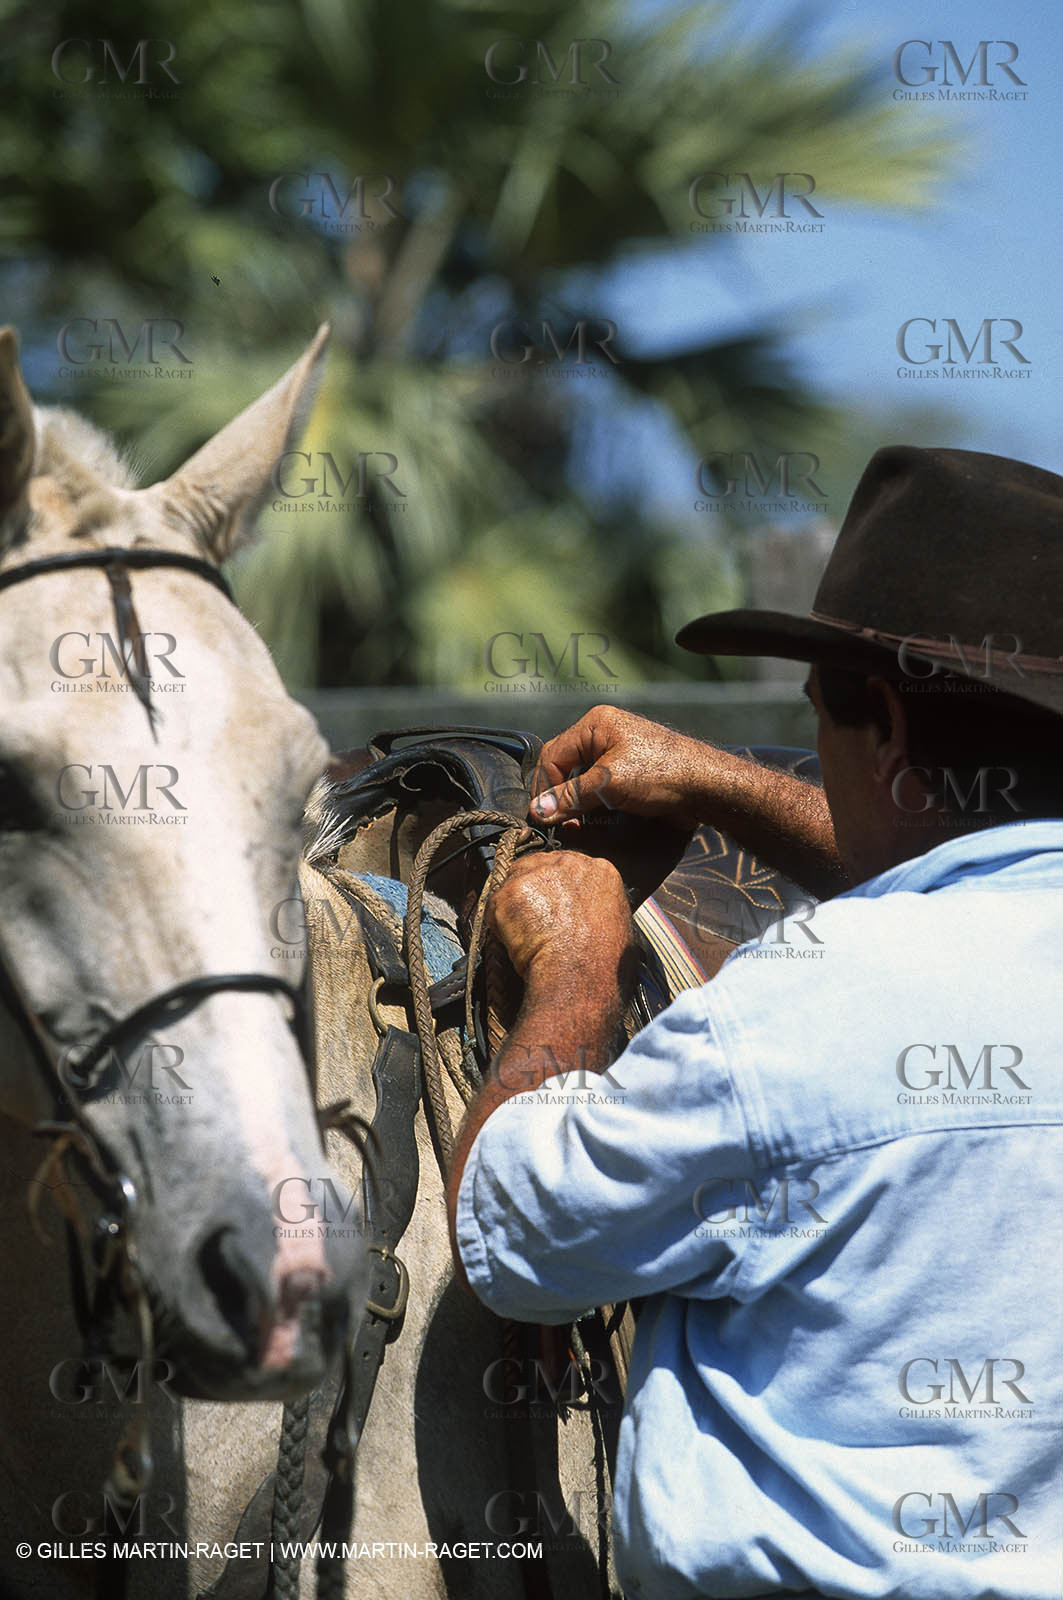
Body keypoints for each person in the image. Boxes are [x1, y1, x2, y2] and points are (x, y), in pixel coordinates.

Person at [445, 445, 1063, 1600]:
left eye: (818, 711)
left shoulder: (786, 1018)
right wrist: (727, 783)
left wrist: (577, 963)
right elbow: (965, 861)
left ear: (876, 715)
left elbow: (512, 1229)